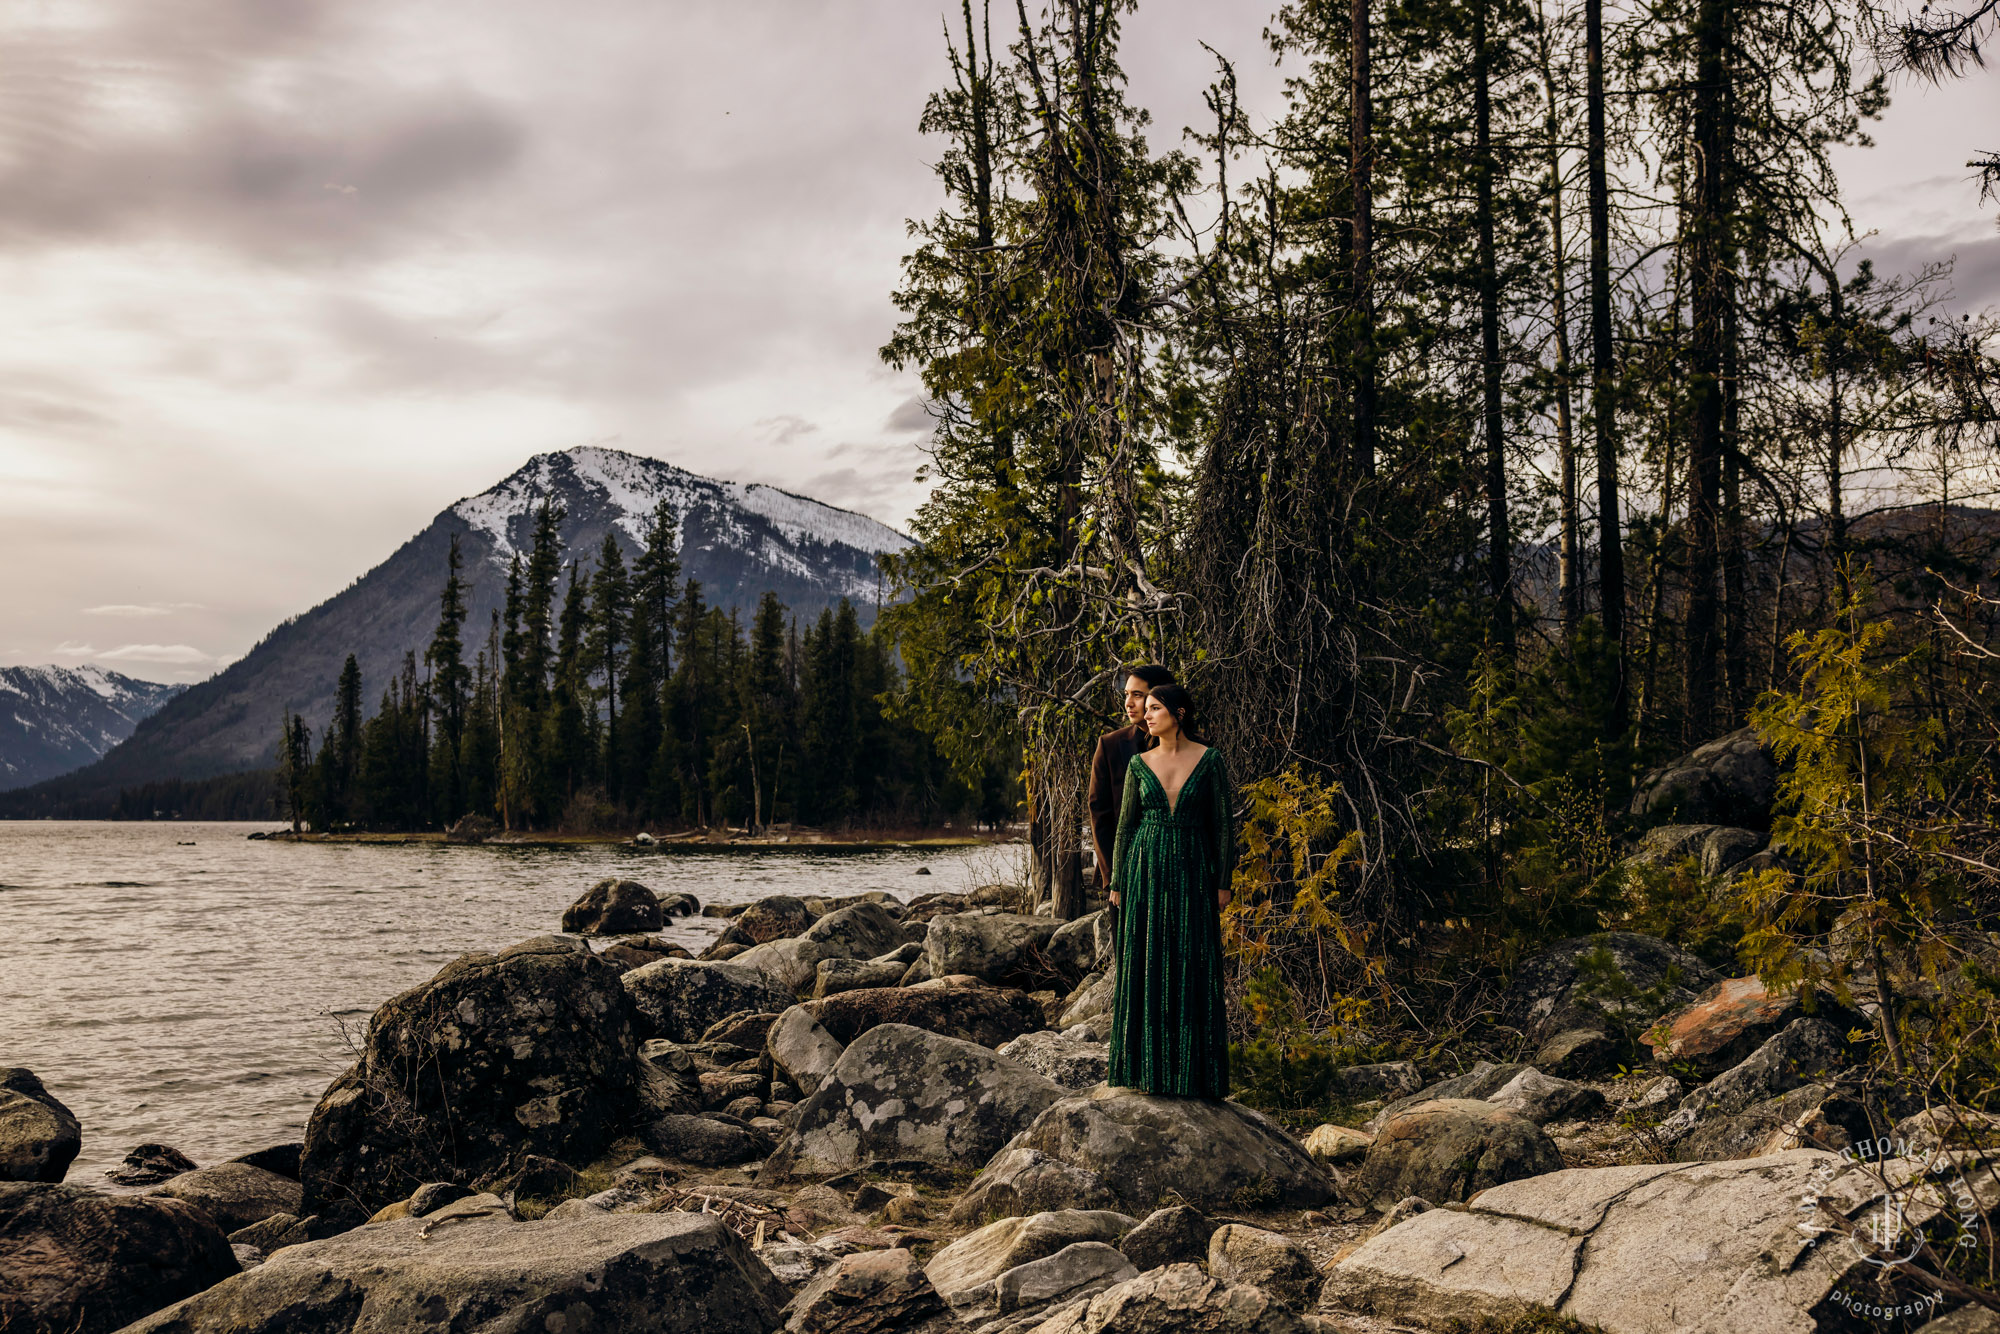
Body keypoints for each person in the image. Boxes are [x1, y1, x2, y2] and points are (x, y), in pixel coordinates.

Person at [1106, 682, 1231, 1098]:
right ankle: (1146, 1071)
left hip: (1194, 870)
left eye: (1155, 708)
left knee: (1193, 962)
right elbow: (1124, 827)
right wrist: (1118, 884)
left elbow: (1223, 826)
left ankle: (1195, 1075)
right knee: (1148, 961)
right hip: (1146, 870)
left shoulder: (1210, 761)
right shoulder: (1139, 764)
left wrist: (1223, 881)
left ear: (1179, 713)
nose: (1147, 714)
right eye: (1147, 708)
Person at [1087, 664, 1176, 894]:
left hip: (1178, 872)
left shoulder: (1195, 749)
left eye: (1138, 695)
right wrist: (1113, 876)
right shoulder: (1110, 746)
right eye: (1127, 694)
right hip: (1125, 876)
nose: (1128, 703)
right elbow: (1100, 815)